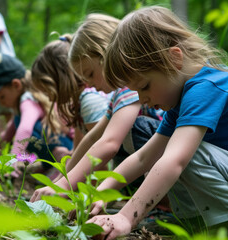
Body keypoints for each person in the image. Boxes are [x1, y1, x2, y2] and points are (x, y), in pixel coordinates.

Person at [85, 6, 228, 239]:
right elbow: (144, 157)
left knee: (179, 155)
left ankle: (226, 226)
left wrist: (126, 216)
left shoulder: (205, 88)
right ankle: (195, 224)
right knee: (164, 157)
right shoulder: (181, 99)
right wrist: (97, 194)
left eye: (144, 86)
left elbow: (173, 160)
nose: (142, 100)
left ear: (174, 58)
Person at [31, 14, 163, 201]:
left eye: (91, 74)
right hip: (154, 160)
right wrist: (60, 182)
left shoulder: (130, 88)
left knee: (132, 129)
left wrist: (64, 186)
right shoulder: (118, 95)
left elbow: (108, 143)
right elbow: (91, 139)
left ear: (106, 54)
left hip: (170, 158)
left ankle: (158, 204)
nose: (90, 85)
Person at [0, 53, 73, 175]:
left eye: (2, 97)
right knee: (16, 123)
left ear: (16, 85)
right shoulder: (20, 108)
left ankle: (62, 162)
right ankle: (49, 164)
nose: (1, 103)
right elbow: (7, 134)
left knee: (23, 127)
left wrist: (13, 159)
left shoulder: (28, 100)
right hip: (62, 143)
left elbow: (25, 129)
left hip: (67, 146)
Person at [31, 34, 110, 151]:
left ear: (60, 80)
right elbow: (78, 149)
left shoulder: (89, 100)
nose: (50, 99)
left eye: (47, 92)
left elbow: (100, 154)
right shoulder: (79, 103)